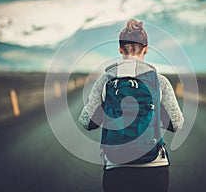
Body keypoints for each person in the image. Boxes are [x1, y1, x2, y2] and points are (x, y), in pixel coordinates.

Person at [79, 19, 184, 192]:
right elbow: (176, 124)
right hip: (155, 166)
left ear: (120, 49)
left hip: (116, 166)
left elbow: (86, 121)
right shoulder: (159, 81)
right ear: (146, 48)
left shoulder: (106, 81)